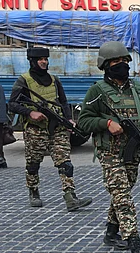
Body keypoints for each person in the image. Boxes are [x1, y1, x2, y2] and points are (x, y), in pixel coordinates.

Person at [77, 42, 140, 253]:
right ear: (105, 66)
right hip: (110, 153)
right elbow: (83, 122)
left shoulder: (137, 89)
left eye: (124, 61)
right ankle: (135, 244)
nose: (121, 65)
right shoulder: (97, 91)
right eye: (115, 62)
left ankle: (111, 233)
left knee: (125, 189)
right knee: (122, 195)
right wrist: (106, 122)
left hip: (133, 152)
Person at [8, 47, 92, 211]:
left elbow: (63, 102)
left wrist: (68, 120)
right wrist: (30, 112)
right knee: (33, 163)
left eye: (45, 59)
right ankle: (33, 191)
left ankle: (70, 197)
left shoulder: (54, 80)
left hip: (58, 127)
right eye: (40, 59)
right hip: (35, 130)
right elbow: (12, 104)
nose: (44, 62)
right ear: (32, 61)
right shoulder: (23, 80)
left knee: (65, 163)